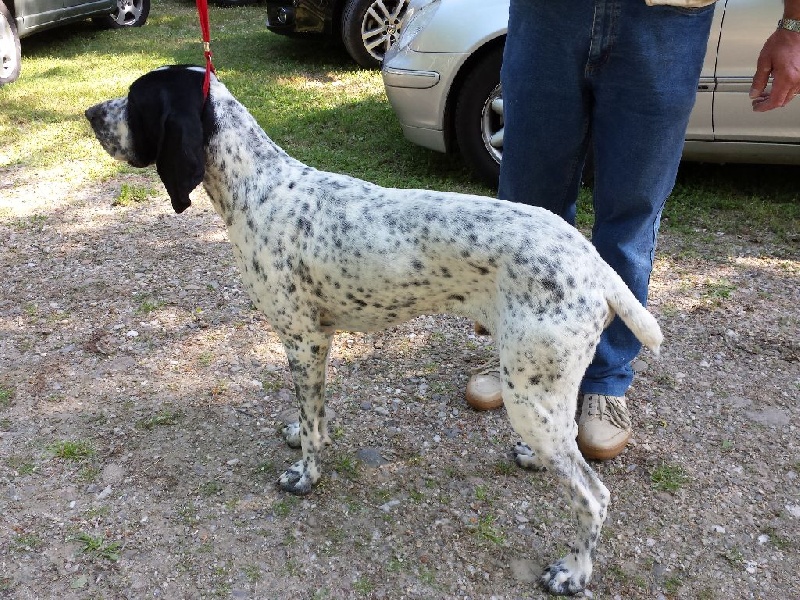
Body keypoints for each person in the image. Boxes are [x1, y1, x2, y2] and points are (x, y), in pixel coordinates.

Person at [465, 0, 800, 460]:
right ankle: (524, 357)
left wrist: (793, 25)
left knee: (631, 213)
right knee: (529, 209)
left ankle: (604, 379)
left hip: (667, 21)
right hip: (550, 15)